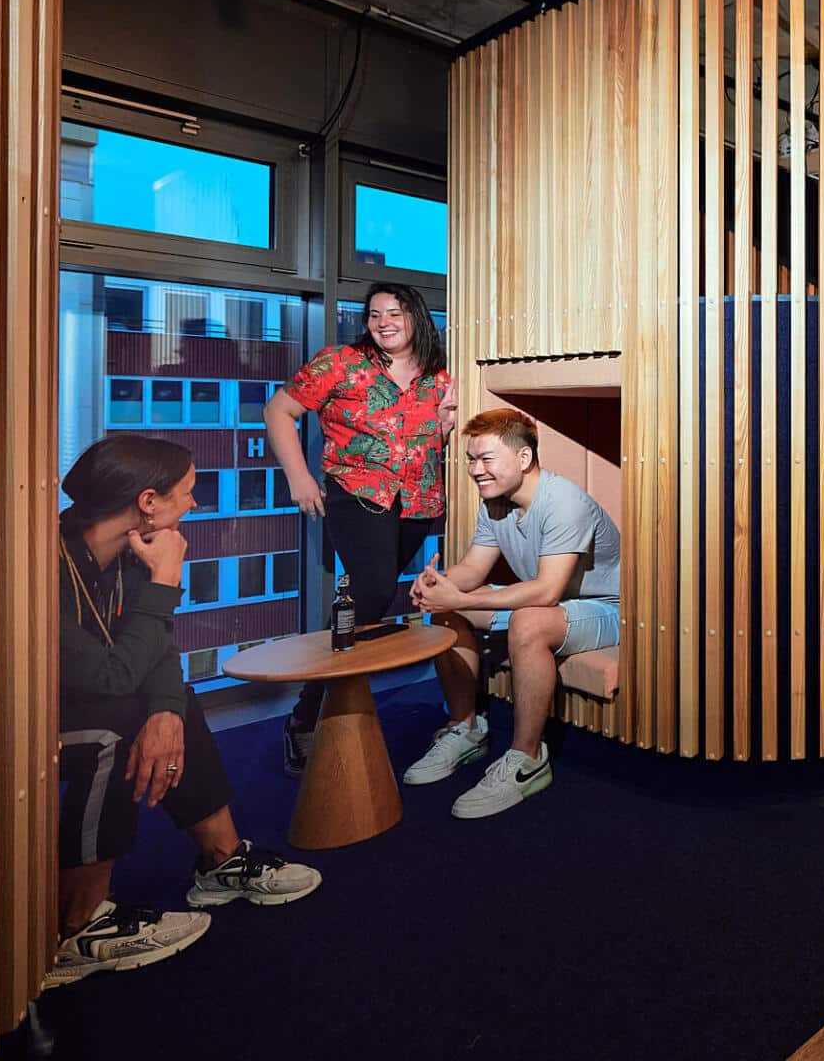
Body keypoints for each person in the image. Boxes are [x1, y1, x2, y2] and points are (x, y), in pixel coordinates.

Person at [53, 436, 321, 989]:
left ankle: (221, 861)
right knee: (116, 728)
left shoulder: (131, 552)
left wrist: (167, 714)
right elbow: (111, 678)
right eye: (187, 492)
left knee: (170, 704)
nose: (195, 504)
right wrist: (165, 581)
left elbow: (155, 651)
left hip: (83, 695)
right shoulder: (48, 567)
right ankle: (76, 926)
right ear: (148, 502)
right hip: (9, 722)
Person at [265, 282, 455, 775]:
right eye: (374, 314)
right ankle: (309, 715)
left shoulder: (439, 376)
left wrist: (444, 428)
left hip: (418, 500)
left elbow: (431, 436)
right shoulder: (340, 363)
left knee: (373, 603)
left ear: (416, 317)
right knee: (371, 593)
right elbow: (278, 409)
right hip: (357, 493)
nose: (383, 322)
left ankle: (336, 705)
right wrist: (298, 477)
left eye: (395, 313)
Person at [403, 408, 622, 819]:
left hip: (607, 608)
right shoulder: (495, 503)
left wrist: (461, 599)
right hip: (554, 604)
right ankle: (465, 728)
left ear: (523, 458)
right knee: (445, 614)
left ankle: (527, 759)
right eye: (471, 459)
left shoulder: (564, 501)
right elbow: (474, 569)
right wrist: (440, 584)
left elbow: (546, 590)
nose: (475, 470)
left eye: (486, 459)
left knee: (527, 619)